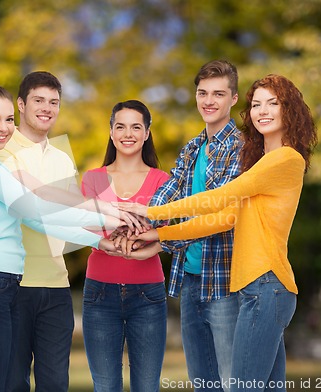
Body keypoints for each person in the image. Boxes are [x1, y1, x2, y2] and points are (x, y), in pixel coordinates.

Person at [118, 74, 318, 392]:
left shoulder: (285, 159)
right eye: (256, 105)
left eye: (272, 103)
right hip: (258, 290)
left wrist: (151, 212)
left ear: (289, 109)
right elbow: (222, 218)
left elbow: (221, 195)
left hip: (268, 287)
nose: (262, 110)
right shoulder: (263, 165)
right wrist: (160, 236)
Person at [0, 85, 120, 392]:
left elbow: (40, 215)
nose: (3, 128)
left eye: (8, 120)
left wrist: (98, 237)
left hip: (0, 283)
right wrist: (112, 217)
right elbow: (36, 210)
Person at [127, 59, 242, 391]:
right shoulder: (193, 148)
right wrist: (134, 222)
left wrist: (159, 238)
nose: (208, 101)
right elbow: (169, 193)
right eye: (202, 92)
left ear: (233, 99)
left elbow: (216, 215)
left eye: (218, 94)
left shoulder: (242, 148)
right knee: (203, 383)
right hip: (190, 279)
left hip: (225, 283)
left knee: (232, 380)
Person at [81, 100, 170, 392]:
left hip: (148, 294)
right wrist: (140, 229)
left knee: (147, 386)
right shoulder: (93, 178)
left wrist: (146, 237)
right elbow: (90, 228)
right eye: (120, 126)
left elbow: (170, 233)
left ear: (147, 133)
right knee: (105, 386)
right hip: (99, 293)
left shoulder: (162, 180)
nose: (127, 133)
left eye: (136, 126)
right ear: (110, 131)